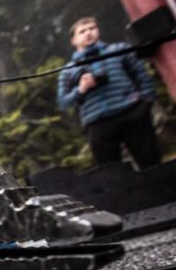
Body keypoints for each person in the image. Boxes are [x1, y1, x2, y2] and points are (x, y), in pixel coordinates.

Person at [57, 17, 161, 169]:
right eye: (82, 31)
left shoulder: (119, 50)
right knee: (109, 170)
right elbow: (63, 102)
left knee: (150, 160)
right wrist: (81, 89)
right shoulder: (69, 70)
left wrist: (146, 102)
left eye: (92, 28)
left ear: (98, 30)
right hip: (97, 122)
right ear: (74, 40)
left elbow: (142, 76)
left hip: (132, 112)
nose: (88, 33)